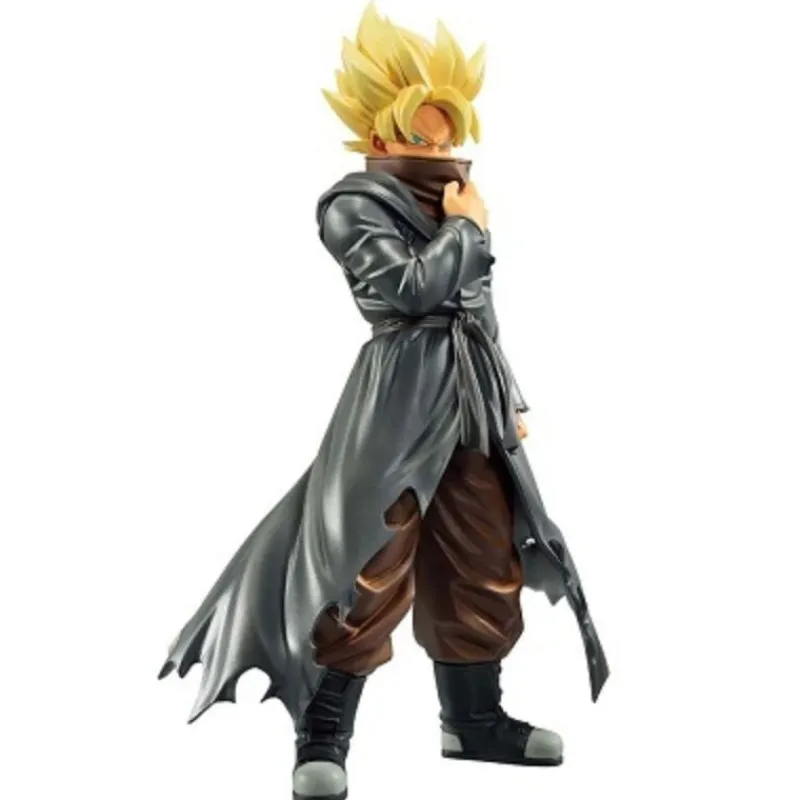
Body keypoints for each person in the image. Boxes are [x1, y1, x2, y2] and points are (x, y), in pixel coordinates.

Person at [159, 6, 608, 799]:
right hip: (399, 399)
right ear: (378, 133)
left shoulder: (457, 202)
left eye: (445, 136)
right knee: (364, 561)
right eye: (421, 140)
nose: (437, 152)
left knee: (484, 557)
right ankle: (322, 734)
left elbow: (476, 308)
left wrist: (507, 393)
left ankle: (472, 721)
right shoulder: (353, 204)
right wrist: (467, 232)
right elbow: (404, 293)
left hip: (470, 396)